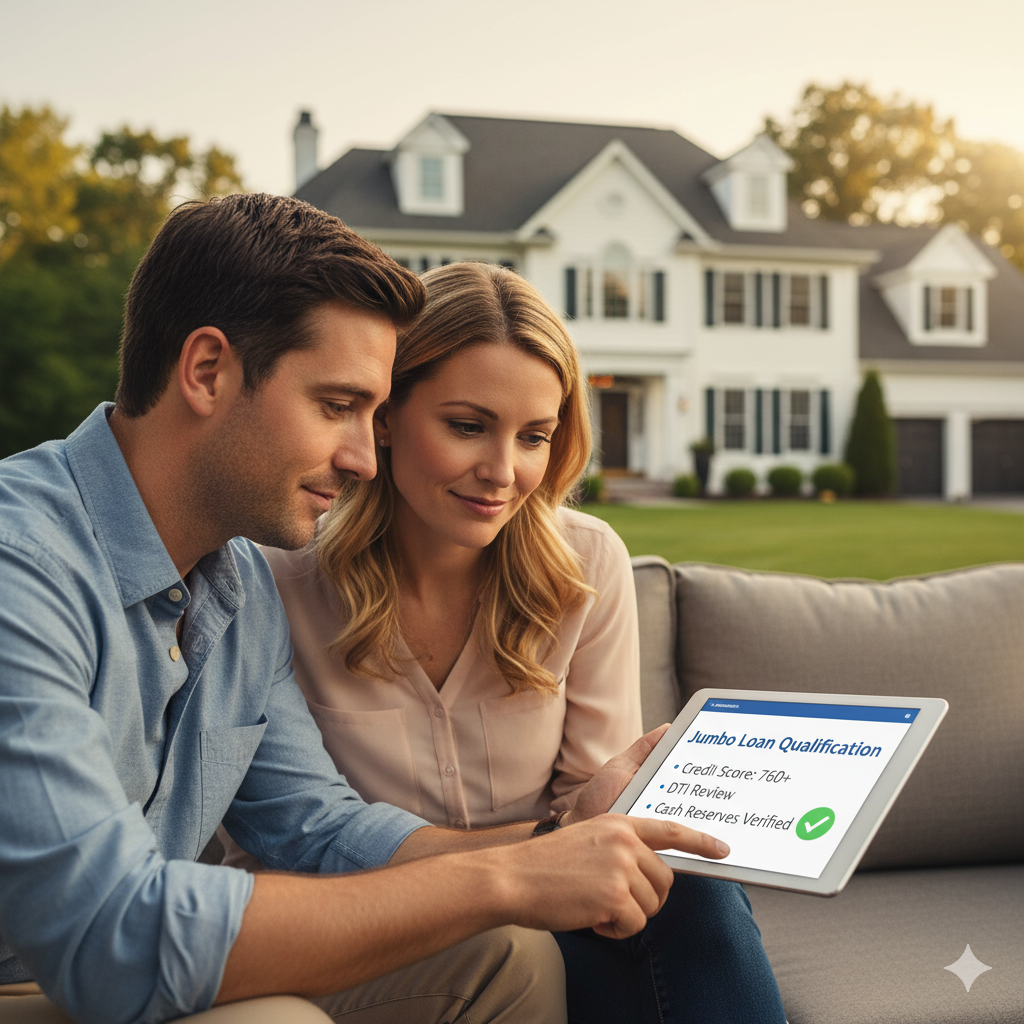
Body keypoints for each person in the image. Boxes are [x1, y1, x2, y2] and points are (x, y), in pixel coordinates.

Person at [0, 194, 731, 1024]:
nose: (363, 457)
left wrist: (554, 843)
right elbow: (109, 940)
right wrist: (502, 879)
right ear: (206, 372)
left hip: (123, 966)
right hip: (52, 972)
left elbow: (318, 831)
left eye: (371, 414)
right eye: (338, 406)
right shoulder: (23, 567)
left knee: (507, 959)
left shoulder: (236, 585)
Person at [238, 262, 787, 1023]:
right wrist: (547, 845)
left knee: (690, 888)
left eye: (534, 437)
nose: (503, 473)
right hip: (366, 925)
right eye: (467, 426)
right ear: (386, 416)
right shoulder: (276, 576)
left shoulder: (586, 563)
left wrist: (600, 821)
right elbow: (293, 835)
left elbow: (593, 815)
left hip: (550, 915)